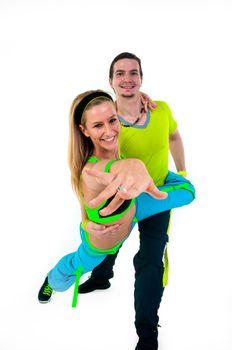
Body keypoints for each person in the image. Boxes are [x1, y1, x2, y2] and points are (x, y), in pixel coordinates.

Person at [38, 90, 195, 317]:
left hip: (134, 210)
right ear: (85, 130)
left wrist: (137, 99)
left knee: (188, 191)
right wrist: (134, 166)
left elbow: (187, 190)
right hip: (100, 243)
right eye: (98, 126)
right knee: (72, 270)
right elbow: (108, 171)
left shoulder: (117, 148)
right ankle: (51, 279)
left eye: (113, 120)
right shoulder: (92, 169)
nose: (110, 130)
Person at [78, 53, 189, 350]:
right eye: (120, 74)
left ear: (141, 78)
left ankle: (147, 332)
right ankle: (102, 276)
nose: (127, 78)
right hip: (120, 198)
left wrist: (183, 172)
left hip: (156, 197)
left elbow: (174, 137)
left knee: (151, 263)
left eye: (133, 73)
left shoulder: (161, 109)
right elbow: (88, 160)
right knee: (109, 242)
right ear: (110, 81)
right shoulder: (106, 122)